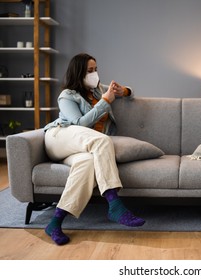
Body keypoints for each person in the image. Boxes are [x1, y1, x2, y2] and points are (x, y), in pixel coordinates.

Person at [43, 53, 145, 245]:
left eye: (96, 69)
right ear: (79, 72)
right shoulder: (67, 96)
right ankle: (114, 202)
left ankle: (55, 222)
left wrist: (124, 91)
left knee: (87, 163)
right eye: (90, 71)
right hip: (60, 138)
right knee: (103, 141)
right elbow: (79, 124)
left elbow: (130, 91)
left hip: (82, 148)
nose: (94, 74)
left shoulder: (98, 90)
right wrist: (105, 102)